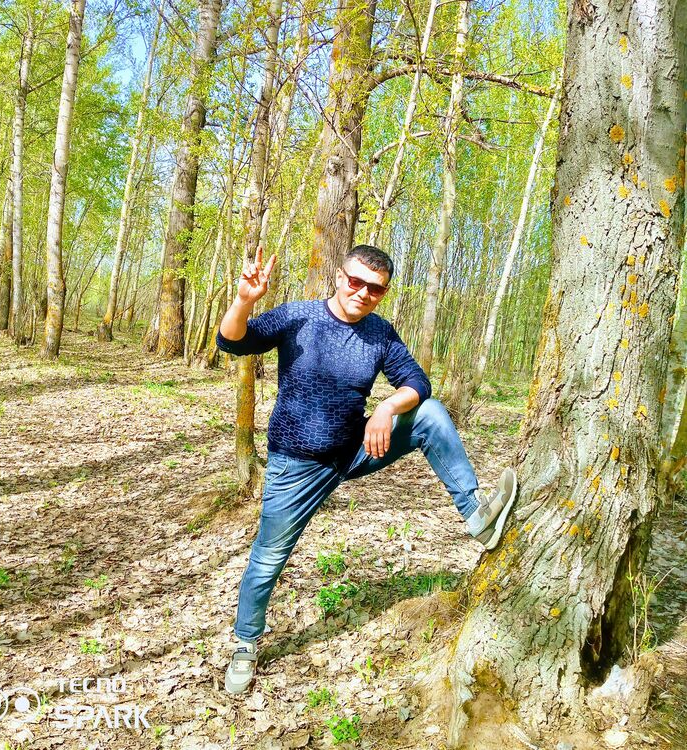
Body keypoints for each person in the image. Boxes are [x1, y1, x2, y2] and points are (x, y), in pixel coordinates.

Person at [216, 244, 517, 695]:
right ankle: (245, 644)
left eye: (374, 288)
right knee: (268, 557)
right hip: (295, 465)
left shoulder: (379, 333)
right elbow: (232, 341)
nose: (362, 292)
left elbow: (417, 382)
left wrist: (386, 408)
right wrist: (244, 300)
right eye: (356, 281)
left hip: (355, 449)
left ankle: (476, 515)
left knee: (430, 413)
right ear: (340, 277)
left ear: (383, 293)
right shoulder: (298, 317)